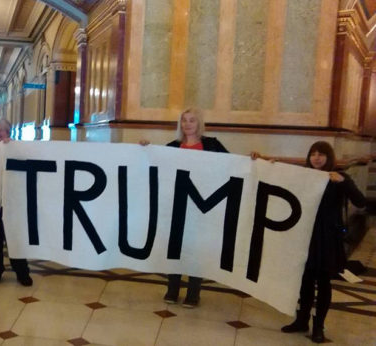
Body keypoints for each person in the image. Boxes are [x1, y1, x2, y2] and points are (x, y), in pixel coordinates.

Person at [253, 141, 365, 343]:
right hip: (304, 235)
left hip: (327, 238)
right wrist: (263, 162)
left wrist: (343, 182)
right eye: (313, 154)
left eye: (321, 154)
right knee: (304, 281)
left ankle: (319, 326)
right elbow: (282, 177)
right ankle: (302, 319)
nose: (317, 157)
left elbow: (360, 201)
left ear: (328, 157)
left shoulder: (339, 177)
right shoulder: (304, 175)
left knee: (323, 282)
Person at [141, 107, 228, 308]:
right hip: (177, 204)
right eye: (184, 120)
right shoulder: (173, 146)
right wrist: (145, 148)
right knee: (175, 247)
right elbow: (154, 162)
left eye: (192, 120)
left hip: (201, 205)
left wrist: (255, 159)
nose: (187, 124)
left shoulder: (212, 145)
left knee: (196, 249)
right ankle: (172, 289)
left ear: (199, 124)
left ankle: (193, 292)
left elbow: (232, 165)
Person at [0, 118, 33, 286]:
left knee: (14, 236)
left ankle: (22, 272)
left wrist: (11, 147)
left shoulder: (16, 147)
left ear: (8, 132)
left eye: (0, 131)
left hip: (11, 200)